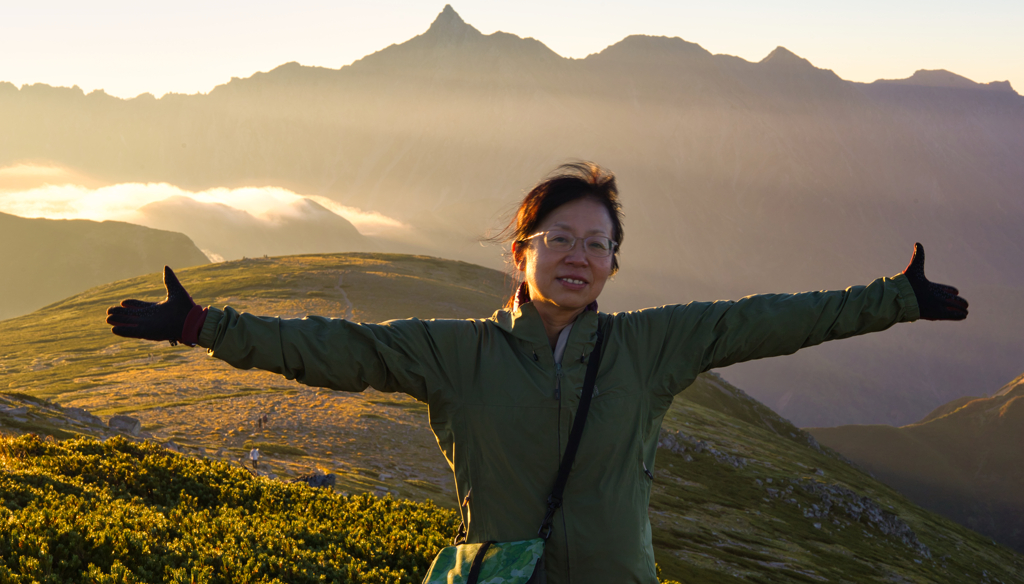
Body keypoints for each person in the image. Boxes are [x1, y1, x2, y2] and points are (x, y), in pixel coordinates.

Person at [105, 162, 968, 583]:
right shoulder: (458, 351)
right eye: (560, 238)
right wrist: (200, 324)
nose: (578, 256)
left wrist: (892, 298)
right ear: (522, 253)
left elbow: (767, 319)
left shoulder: (648, 347)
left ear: (614, 265)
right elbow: (338, 348)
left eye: (598, 244)